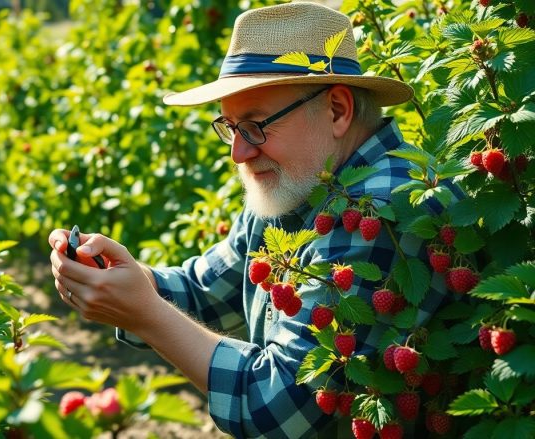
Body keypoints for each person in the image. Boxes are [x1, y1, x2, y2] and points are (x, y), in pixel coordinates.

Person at [49, 3, 462, 438]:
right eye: (230, 127)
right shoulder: (301, 186)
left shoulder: (380, 210)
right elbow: (206, 290)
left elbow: (280, 408)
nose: (238, 153)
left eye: (255, 125)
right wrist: (118, 275)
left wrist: (147, 314)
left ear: (337, 110)